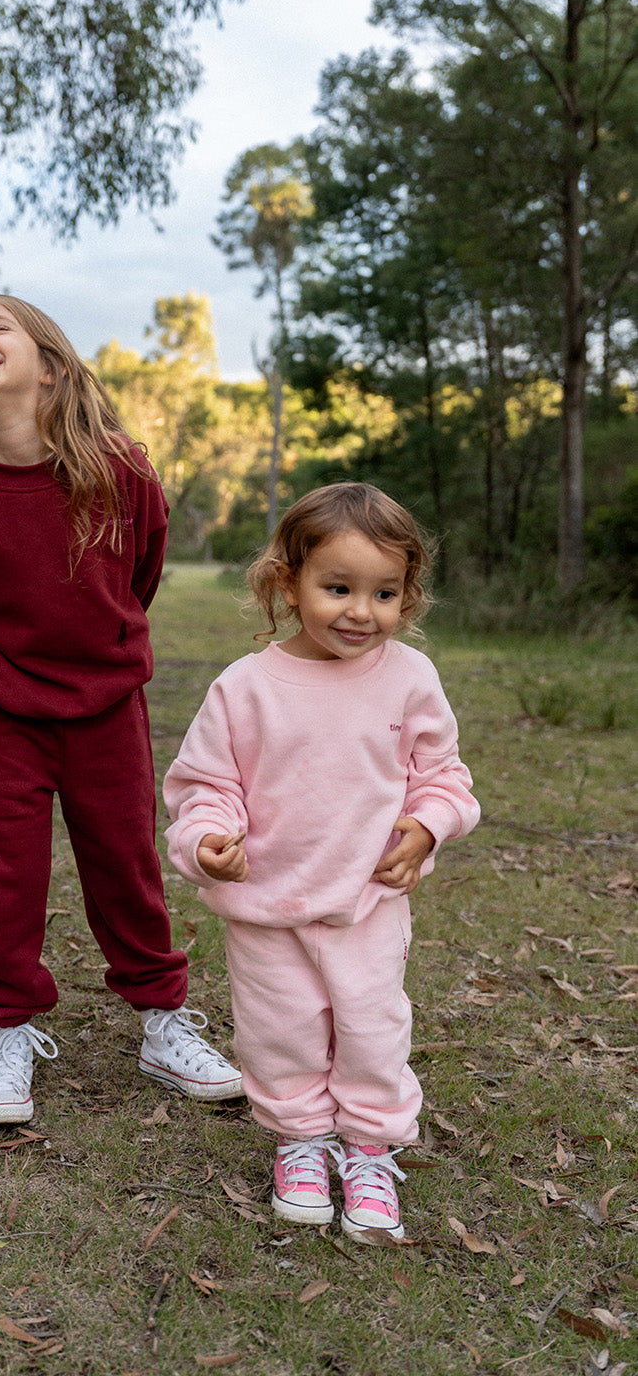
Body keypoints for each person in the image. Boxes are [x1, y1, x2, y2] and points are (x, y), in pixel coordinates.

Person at [0, 293, 242, 1124]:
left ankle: (164, 1023)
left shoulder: (121, 471)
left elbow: (142, 571)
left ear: (50, 367)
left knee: (126, 864)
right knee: (2, 874)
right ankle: (7, 1032)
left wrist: (98, 654)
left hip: (104, 705)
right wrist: (1, 666)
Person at [163, 482, 479, 1240]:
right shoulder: (245, 689)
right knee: (282, 1032)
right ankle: (301, 1141)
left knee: (373, 1027)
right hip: (268, 908)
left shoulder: (410, 680)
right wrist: (206, 843)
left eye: (385, 593)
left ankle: (369, 1147)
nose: (360, 612)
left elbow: (446, 779)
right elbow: (206, 788)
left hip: (367, 902)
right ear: (287, 583)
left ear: (409, 596)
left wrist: (429, 825)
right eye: (337, 588)